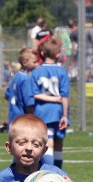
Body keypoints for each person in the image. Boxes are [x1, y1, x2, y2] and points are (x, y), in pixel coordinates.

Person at [32, 37, 69, 168]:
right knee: (58, 144)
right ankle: (57, 173)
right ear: (58, 55)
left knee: (49, 143)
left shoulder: (36, 72)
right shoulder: (62, 72)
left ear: (42, 53)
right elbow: (65, 96)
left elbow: (35, 94)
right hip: (58, 111)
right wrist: (65, 115)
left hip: (43, 112)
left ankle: (52, 174)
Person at [4, 48, 37, 126]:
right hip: (23, 120)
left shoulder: (16, 77)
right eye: (34, 62)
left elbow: (7, 95)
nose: (36, 64)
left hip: (13, 118)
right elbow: (29, 103)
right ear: (25, 62)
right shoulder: (26, 79)